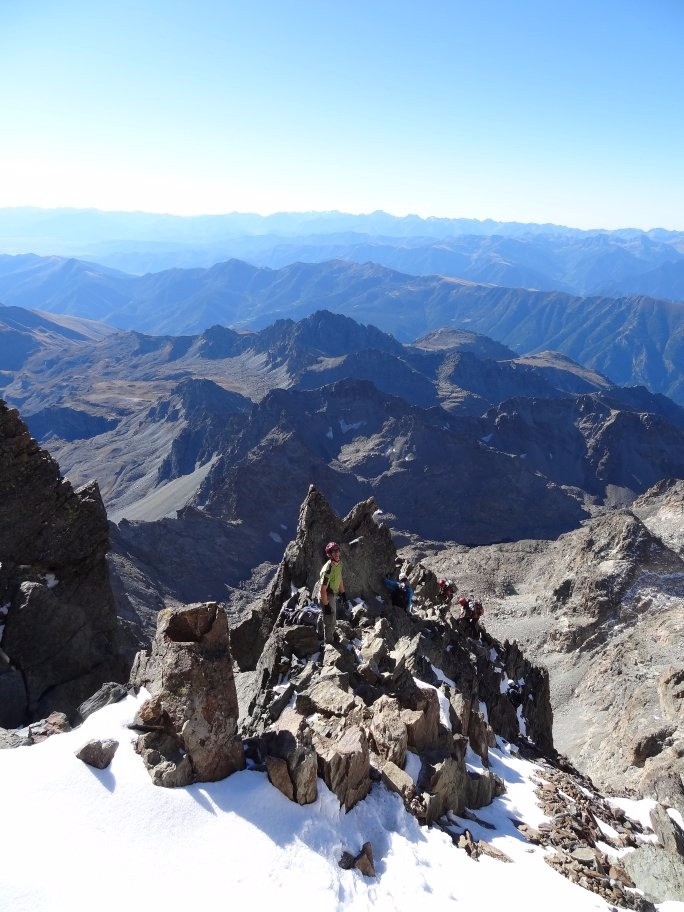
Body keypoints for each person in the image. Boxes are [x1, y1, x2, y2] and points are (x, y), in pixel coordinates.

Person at [318, 540, 348, 645]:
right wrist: (326, 605)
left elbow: (339, 580)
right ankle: (329, 643)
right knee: (330, 618)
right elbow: (322, 589)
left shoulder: (339, 564)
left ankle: (320, 633)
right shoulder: (328, 569)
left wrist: (343, 595)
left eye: (337, 550)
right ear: (329, 554)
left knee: (328, 615)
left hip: (331, 593)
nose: (336, 553)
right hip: (325, 594)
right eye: (333, 551)